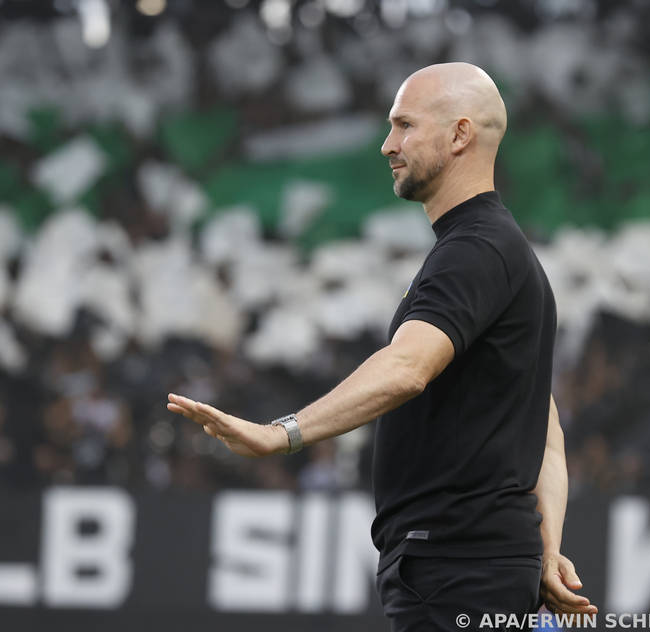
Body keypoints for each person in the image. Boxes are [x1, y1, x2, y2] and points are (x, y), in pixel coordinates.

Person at [167, 62, 597, 630]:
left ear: (460, 135)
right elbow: (545, 438)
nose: (387, 144)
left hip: (454, 564)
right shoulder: (502, 251)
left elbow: (408, 367)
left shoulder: (475, 250)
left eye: (404, 126)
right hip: (482, 564)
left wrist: (281, 434)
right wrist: (544, 550)